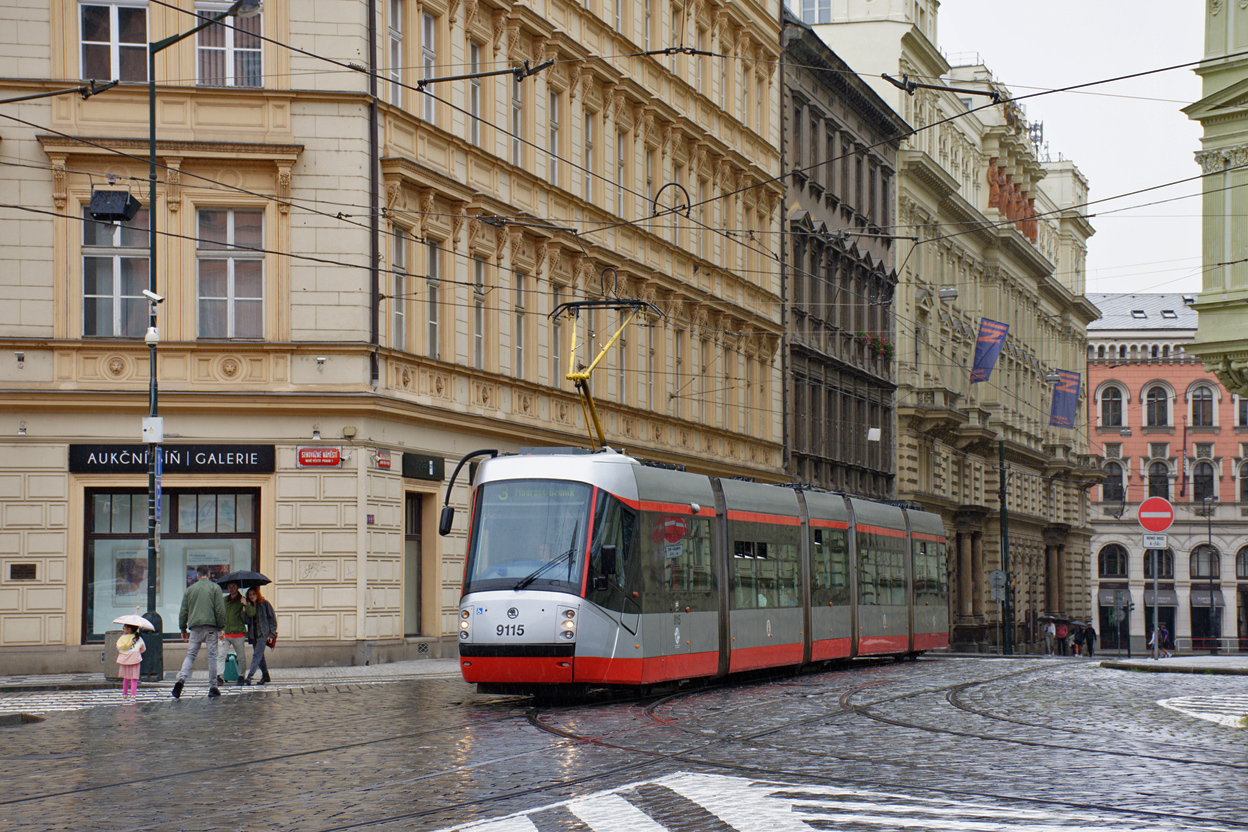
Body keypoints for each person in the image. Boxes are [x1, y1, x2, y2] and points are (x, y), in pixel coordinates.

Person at [174, 564, 226, 699]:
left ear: (197, 576)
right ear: (209, 575)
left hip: (195, 628)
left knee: (190, 655)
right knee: (212, 657)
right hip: (211, 628)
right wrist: (221, 627)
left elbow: (183, 611)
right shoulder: (215, 588)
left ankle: (181, 679)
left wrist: (183, 628)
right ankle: (213, 687)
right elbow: (219, 610)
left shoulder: (190, 590)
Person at [241, 586, 277, 685]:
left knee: (257, 655)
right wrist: (244, 610)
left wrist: (271, 634)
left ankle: (250, 676)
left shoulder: (264, 604)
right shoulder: (249, 606)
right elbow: (246, 621)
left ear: (258, 594)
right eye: (250, 594)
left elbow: (272, 620)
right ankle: (265, 676)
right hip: (253, 635)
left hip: (263, 633)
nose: (252, 596)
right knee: (260, 657)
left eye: (254, 594)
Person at [222, 581, 248, 685]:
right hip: (226, 633)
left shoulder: (242, 600)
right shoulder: (225, 600)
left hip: (238, 633)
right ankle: (220, 676)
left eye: (233, 587)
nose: (231, 589)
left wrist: (245, 605)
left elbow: (250, 614)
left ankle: (241, 676)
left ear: (237, 587)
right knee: (221, 656)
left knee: (241, 657)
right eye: (229, 587)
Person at [116, 624, 145, 697]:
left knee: (125, 677)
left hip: (124, 659)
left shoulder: (122, 638)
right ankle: (133, 694)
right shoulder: (138, 638)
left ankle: (125, 693)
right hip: (135, 659)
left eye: (124, 627)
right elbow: (143, 649)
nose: (123, 629)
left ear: (129, 629)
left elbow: (118, 647)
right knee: (134, 678)